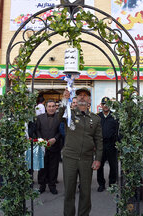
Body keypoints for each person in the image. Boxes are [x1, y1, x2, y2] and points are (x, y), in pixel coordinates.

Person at [60, 87, 103, 216]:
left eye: (85, 95)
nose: (82, 97)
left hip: (86, 159)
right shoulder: (69, 114)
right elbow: (59, 114)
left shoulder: (95, 119)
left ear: (89, 100)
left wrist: (98, 159)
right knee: (69, 192)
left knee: (85, 192)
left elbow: (99, 141)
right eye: (80, 95)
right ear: (76, 99)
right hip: (70, 158)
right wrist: (64, 99)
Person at [36, 99, 62, 195]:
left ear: (56, 107)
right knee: (42, 167)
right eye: (49, 106)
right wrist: (41, 140)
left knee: (53, 168)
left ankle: (52, 186)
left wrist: (55, 139)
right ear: (46, 107)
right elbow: (37, 130)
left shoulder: (59, 117)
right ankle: (42, 186)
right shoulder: (39, 117)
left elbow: (61, 131)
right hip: (42, 146)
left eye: (53, 106)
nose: (51, 108)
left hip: (55, 146)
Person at [97, 97, 119, 192]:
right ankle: (101, 184)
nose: (105, 106)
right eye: (104, 104)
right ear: (101, 105)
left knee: (113, 165)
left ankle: (112, 184)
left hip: (112, 144)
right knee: (99, 165)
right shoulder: (97, 117)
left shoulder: (115, 116)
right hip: (100, 144)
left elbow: (118, 131)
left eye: (107, 104)